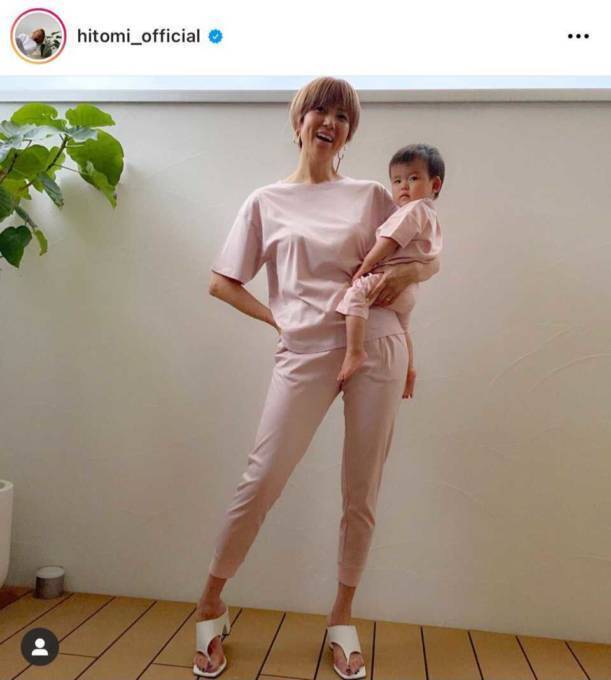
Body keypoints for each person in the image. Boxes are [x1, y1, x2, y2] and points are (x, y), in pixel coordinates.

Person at [194, 76, 441, 678]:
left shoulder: (371, 195)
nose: (329, 122)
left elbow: (422, 257)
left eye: (342, 116)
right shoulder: (265, 201)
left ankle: (341, 617)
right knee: (261, 479)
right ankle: (210, 604)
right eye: (319, 111)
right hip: (304, 352)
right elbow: (222, 282)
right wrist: (278, 319)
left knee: (362, 491)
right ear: (298, 120)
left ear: (349, 132)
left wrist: (407, 305)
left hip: (377, 344)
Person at [335, 143, 445, 398]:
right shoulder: (430, 215)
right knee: (403, 329)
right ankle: (410, 371)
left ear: (435, 184)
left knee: (355, 295)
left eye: (413, 178)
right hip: (408, 291)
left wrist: (364, 267)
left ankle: (355, 351)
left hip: (389, 279)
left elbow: (388, 242)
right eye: (397, 180)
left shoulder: (413, 210)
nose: (403, 186)